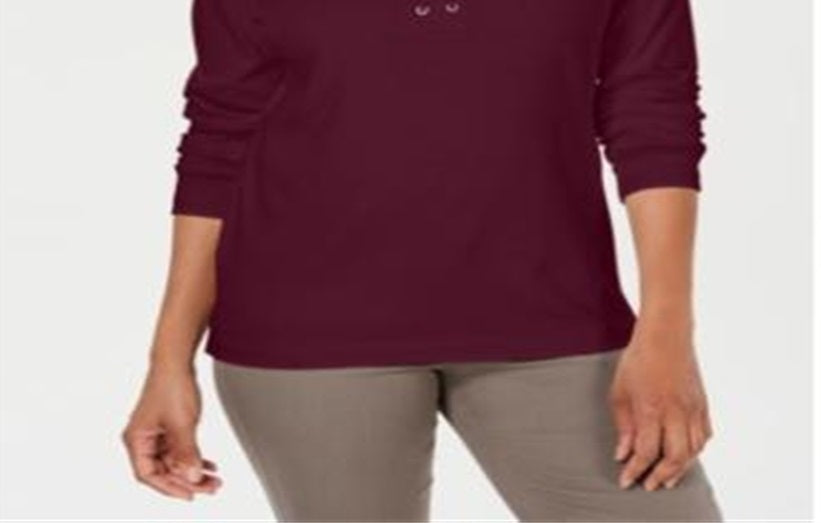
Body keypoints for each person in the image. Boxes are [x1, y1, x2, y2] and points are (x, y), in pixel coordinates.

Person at [122, 0, 724, 520]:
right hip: (310, 336)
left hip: (558, 318)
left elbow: (653, 112)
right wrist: (169, 360)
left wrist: (667, 333)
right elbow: (222, 134)